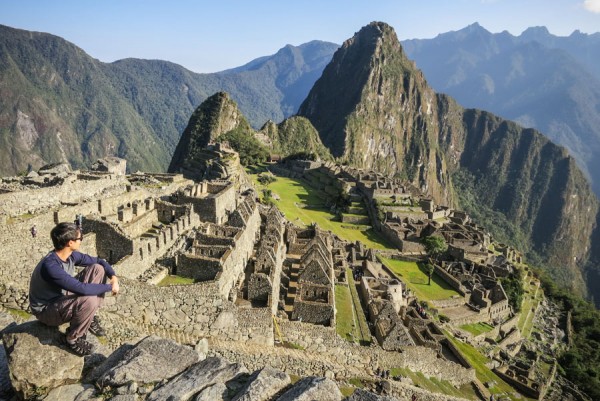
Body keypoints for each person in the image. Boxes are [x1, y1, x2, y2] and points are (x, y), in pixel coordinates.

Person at [29, 222, 119, 356]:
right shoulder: (51, 266)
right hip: (46, 310)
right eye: (79, 238)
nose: (81, 240)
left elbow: (100, 261)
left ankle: (89, 316)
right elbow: (82, 289)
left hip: (61, 298)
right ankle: (72, 339)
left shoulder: (69, 256)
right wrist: (109, 287)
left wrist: (113, 277)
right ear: (70, 243)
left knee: (97, 269)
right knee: (89, 300)